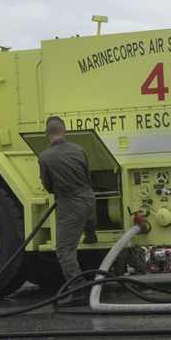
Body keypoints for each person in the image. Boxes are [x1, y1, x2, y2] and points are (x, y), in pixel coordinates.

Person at [38, 116, 98, 306]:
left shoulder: (45, 158)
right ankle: (91, 235)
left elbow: (48, 186)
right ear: (65, 130)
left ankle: (78, 290)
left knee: (64, 250)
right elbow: (87, 175)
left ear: (46, 133)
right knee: (88, 219)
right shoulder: (80, 150)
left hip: (70, 203)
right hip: (89, 198)